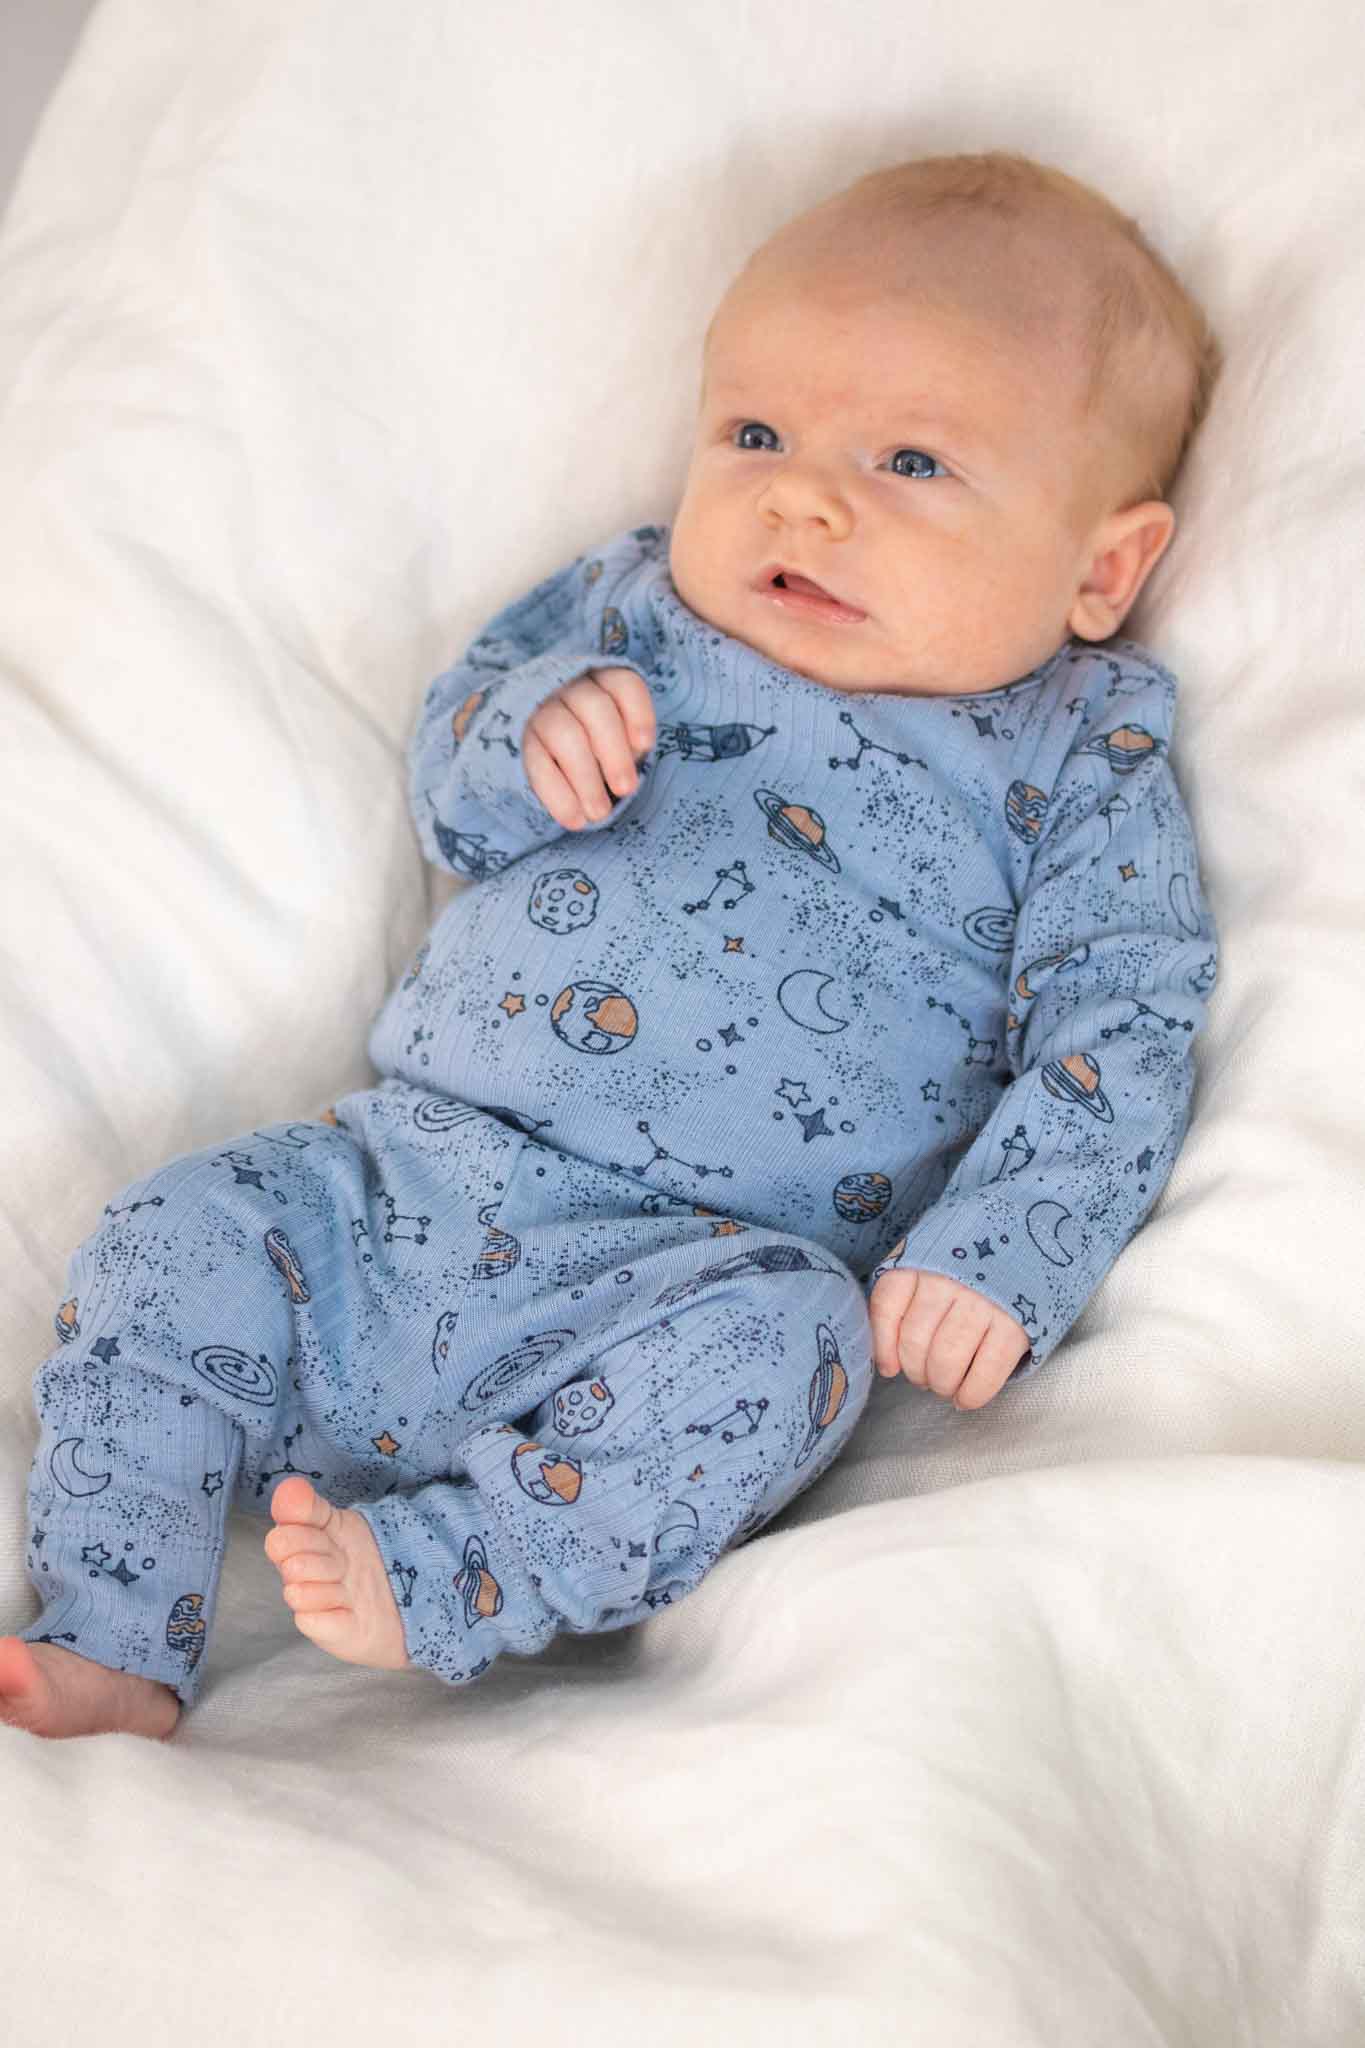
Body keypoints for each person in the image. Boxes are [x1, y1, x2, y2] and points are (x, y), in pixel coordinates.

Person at [0, 149, 1222, 1741]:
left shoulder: (1073, 755)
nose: (802, 497)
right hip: (399, 1188)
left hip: (680, 1291)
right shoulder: (632, 611)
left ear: (1101, 570)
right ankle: (109, 1637)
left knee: (793, 1353)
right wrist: (523, 738)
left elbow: (1119, 1019)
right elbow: (450, 784)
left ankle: (455, 1568)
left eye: (911, 461)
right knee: (175, 1232)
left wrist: (1003, 1246)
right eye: (756, 434)